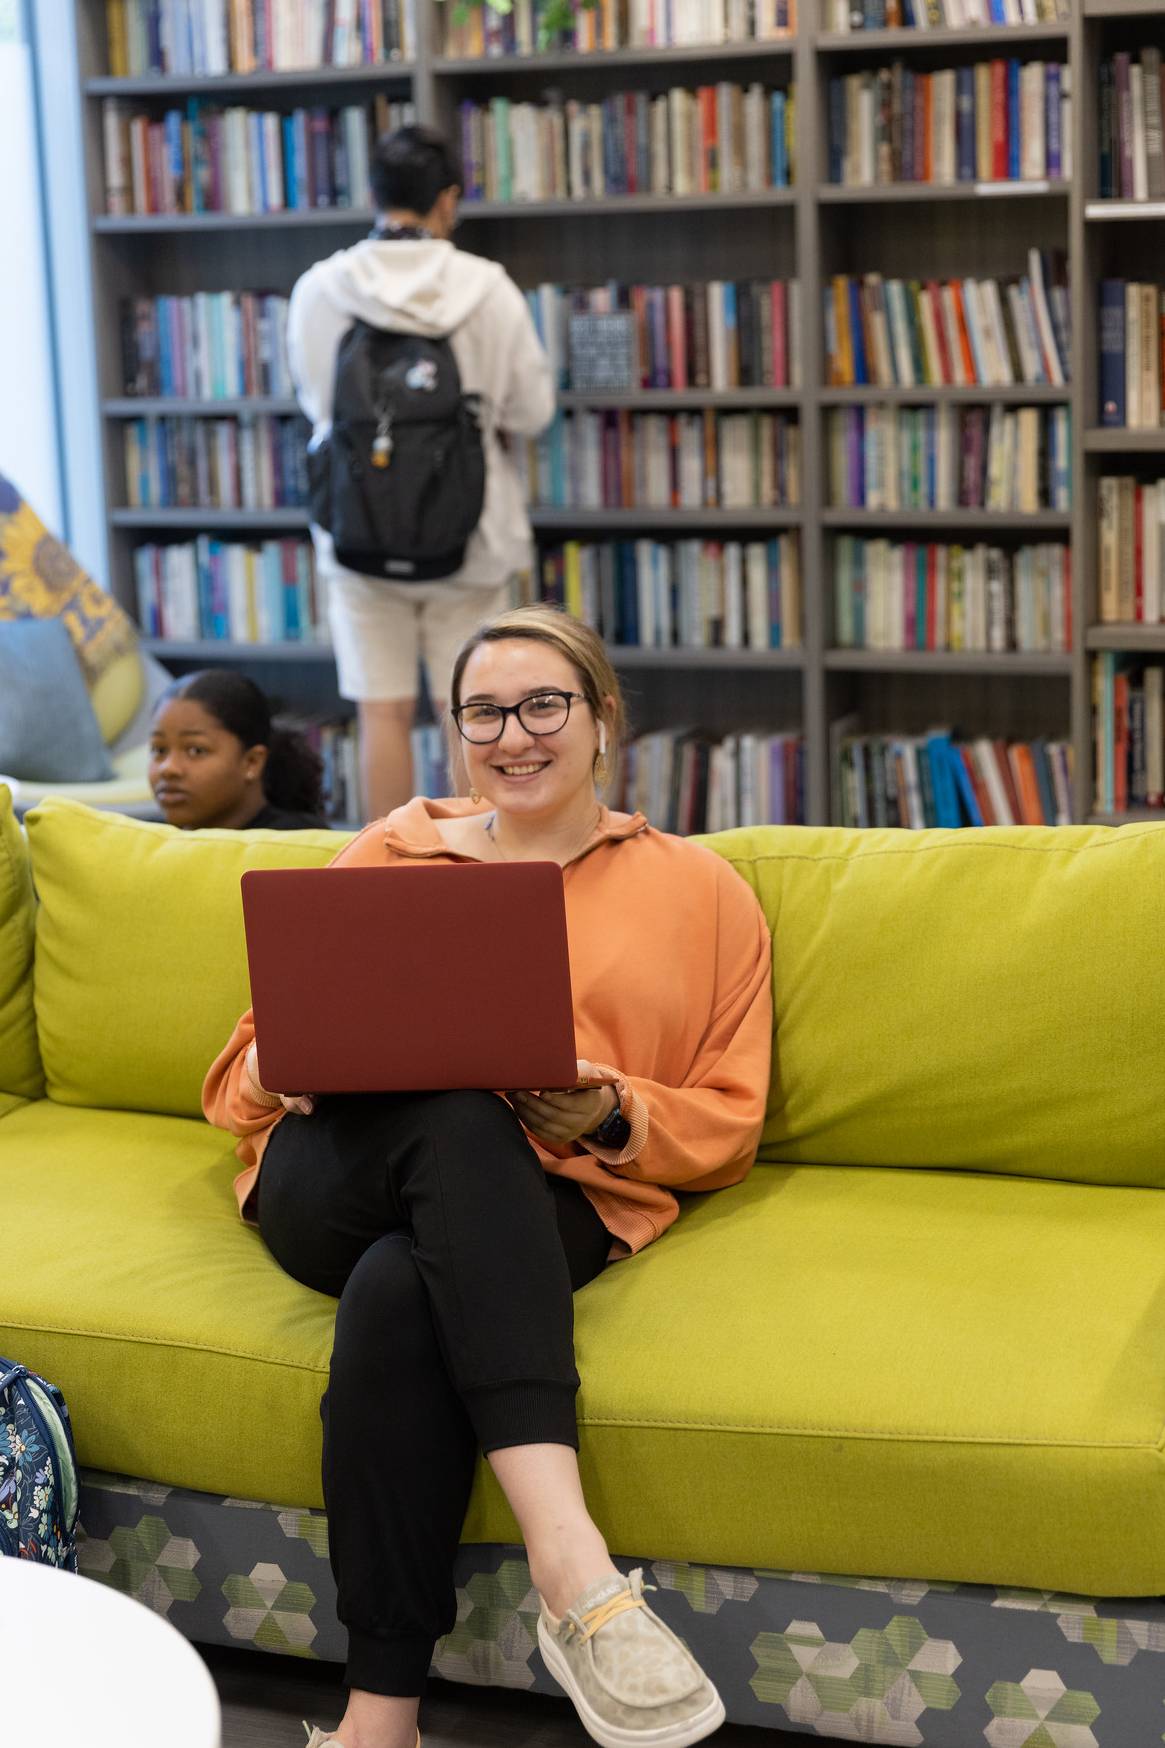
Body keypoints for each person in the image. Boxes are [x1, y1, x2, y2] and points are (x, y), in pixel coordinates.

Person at [202, 605, 773, 1748]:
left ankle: (378, 1719)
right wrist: (290, 1060)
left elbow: (728, 1118)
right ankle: (578, 1575)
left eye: (544, 704)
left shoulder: (701, 890)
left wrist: (611, 1111)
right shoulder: (390, 850)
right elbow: (234, 1081)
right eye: (483, 711)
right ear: (457, 729)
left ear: (603, 717)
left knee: (399, 1292)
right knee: (458, 1109)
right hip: (336, 1173)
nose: (514, 734)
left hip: (552, 1196)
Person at [287, 124, 556, 822]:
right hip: (468, 533)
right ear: (448, 200)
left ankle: (389, 875)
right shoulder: (487, 288)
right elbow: (531, 411)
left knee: (381, 714)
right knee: (474, 713)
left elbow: (316, 403)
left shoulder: (320, 287)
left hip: (356, 533)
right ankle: (474, 876)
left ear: (373, 195)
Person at [148, 670, 328, 831]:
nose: (168, 768)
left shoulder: (293, 844)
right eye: (159, 750)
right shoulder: (152, 839)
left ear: (252, 762)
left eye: (196, 750)